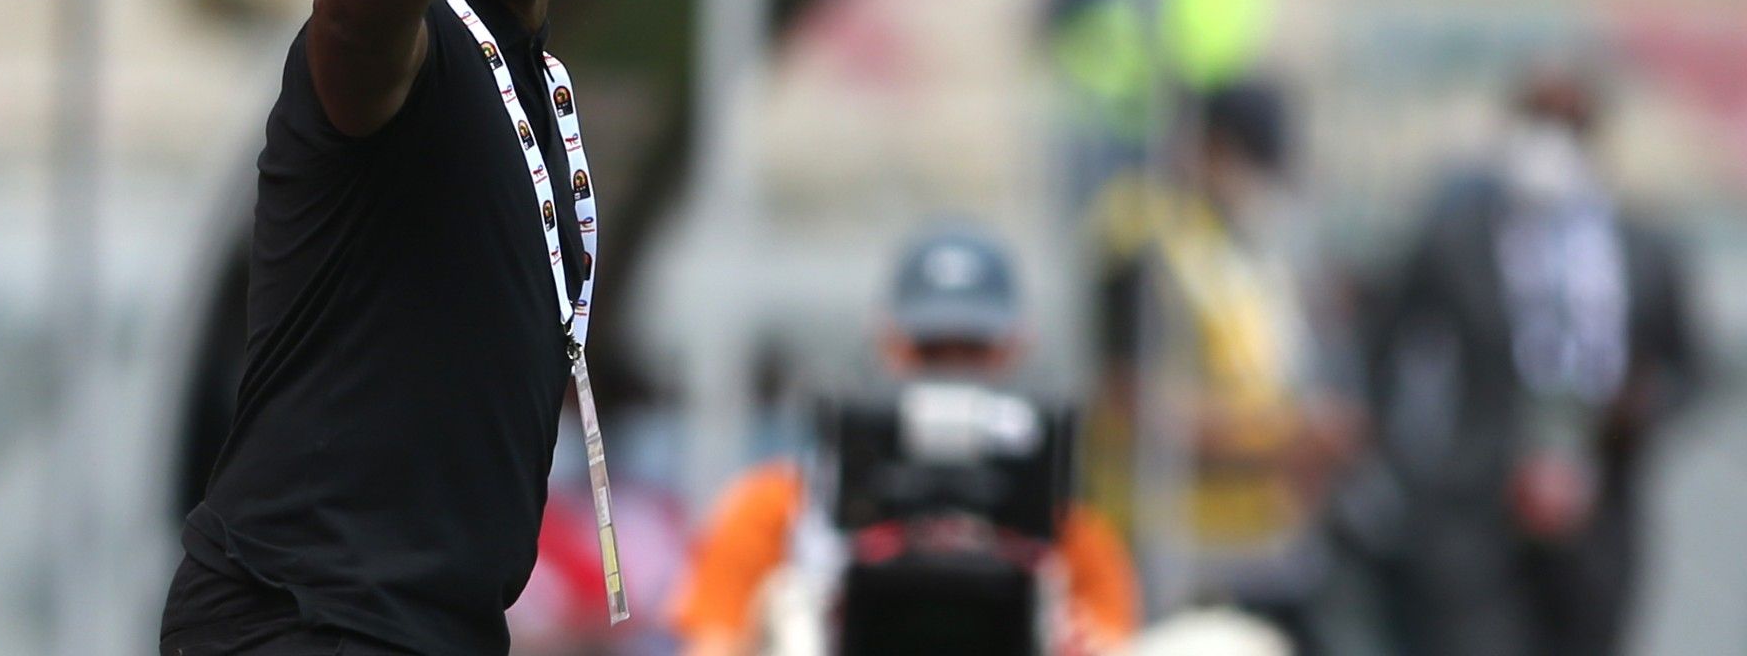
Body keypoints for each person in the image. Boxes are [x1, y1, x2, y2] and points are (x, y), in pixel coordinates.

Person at [160, 0, 604, 655]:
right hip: (301, 616)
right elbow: (360, 23)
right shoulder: (407, 52)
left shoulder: (542, 92)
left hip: (439, 627)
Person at [667, 228, 1142, 656]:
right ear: (888, 341)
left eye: (974, 348)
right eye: (931, 347)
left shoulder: (1065, 537)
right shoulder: (778, 514)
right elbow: (712, 642)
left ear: (1016, 345)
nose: (952, 369)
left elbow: (1112, 634)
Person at [1365, 65, 1701, 656]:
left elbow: (1686, 368)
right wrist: (1413, 467)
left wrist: (1641, 408)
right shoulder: (1457, 236)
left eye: (1567, 123)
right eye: (1537, 120)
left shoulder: (1644, 247)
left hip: (1597, 516)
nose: (1550, 142)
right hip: (1477, 514)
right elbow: (1388, 347)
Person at [1083, 81, 1359, 653]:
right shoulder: (1142, 232)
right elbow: (1129, 398)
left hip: (1261, 541)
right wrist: (1277, 441)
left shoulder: (1242, 238)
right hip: (1167, 542)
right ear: (1205, 146)